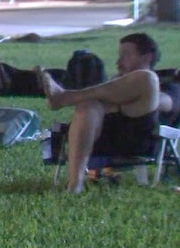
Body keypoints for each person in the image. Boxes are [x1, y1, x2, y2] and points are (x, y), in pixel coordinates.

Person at [38, 32, 171, 193]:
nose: (118, 61)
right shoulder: (109, 85)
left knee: (146, 79)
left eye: (126, 55)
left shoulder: (160, 81)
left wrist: (134, 97)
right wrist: (114, 96)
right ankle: (75, 184)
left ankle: (65, 97)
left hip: (136, 139)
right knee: (88, 105)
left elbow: (168, 103)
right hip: (98, 140)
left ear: (146, 57)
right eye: (119, 55)